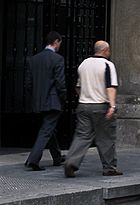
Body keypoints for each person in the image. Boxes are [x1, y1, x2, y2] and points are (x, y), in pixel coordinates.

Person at [64, 40, 123, 177]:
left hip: (84, 105)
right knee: (106, 138)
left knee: (82, 136)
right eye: (108, 51)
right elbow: (111, 87)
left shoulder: (84, 64)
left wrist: (85, 97)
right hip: (101, 106)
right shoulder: (108, 65)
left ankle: (71, 162)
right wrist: (112, 106)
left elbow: (77, 86)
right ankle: (109, 168)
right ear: (105, 51)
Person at [24, 31, 66, 171]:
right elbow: (60, 83)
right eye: (60, 43)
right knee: (46, 131)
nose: (60, 46)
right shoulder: (57, 59)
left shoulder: (33, 59)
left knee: (49, 129)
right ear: (55, 42)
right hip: (52, 101)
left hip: (38, 101)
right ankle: (33, 160)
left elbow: (28, 84)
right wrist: (63, 98)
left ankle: (57, 157)